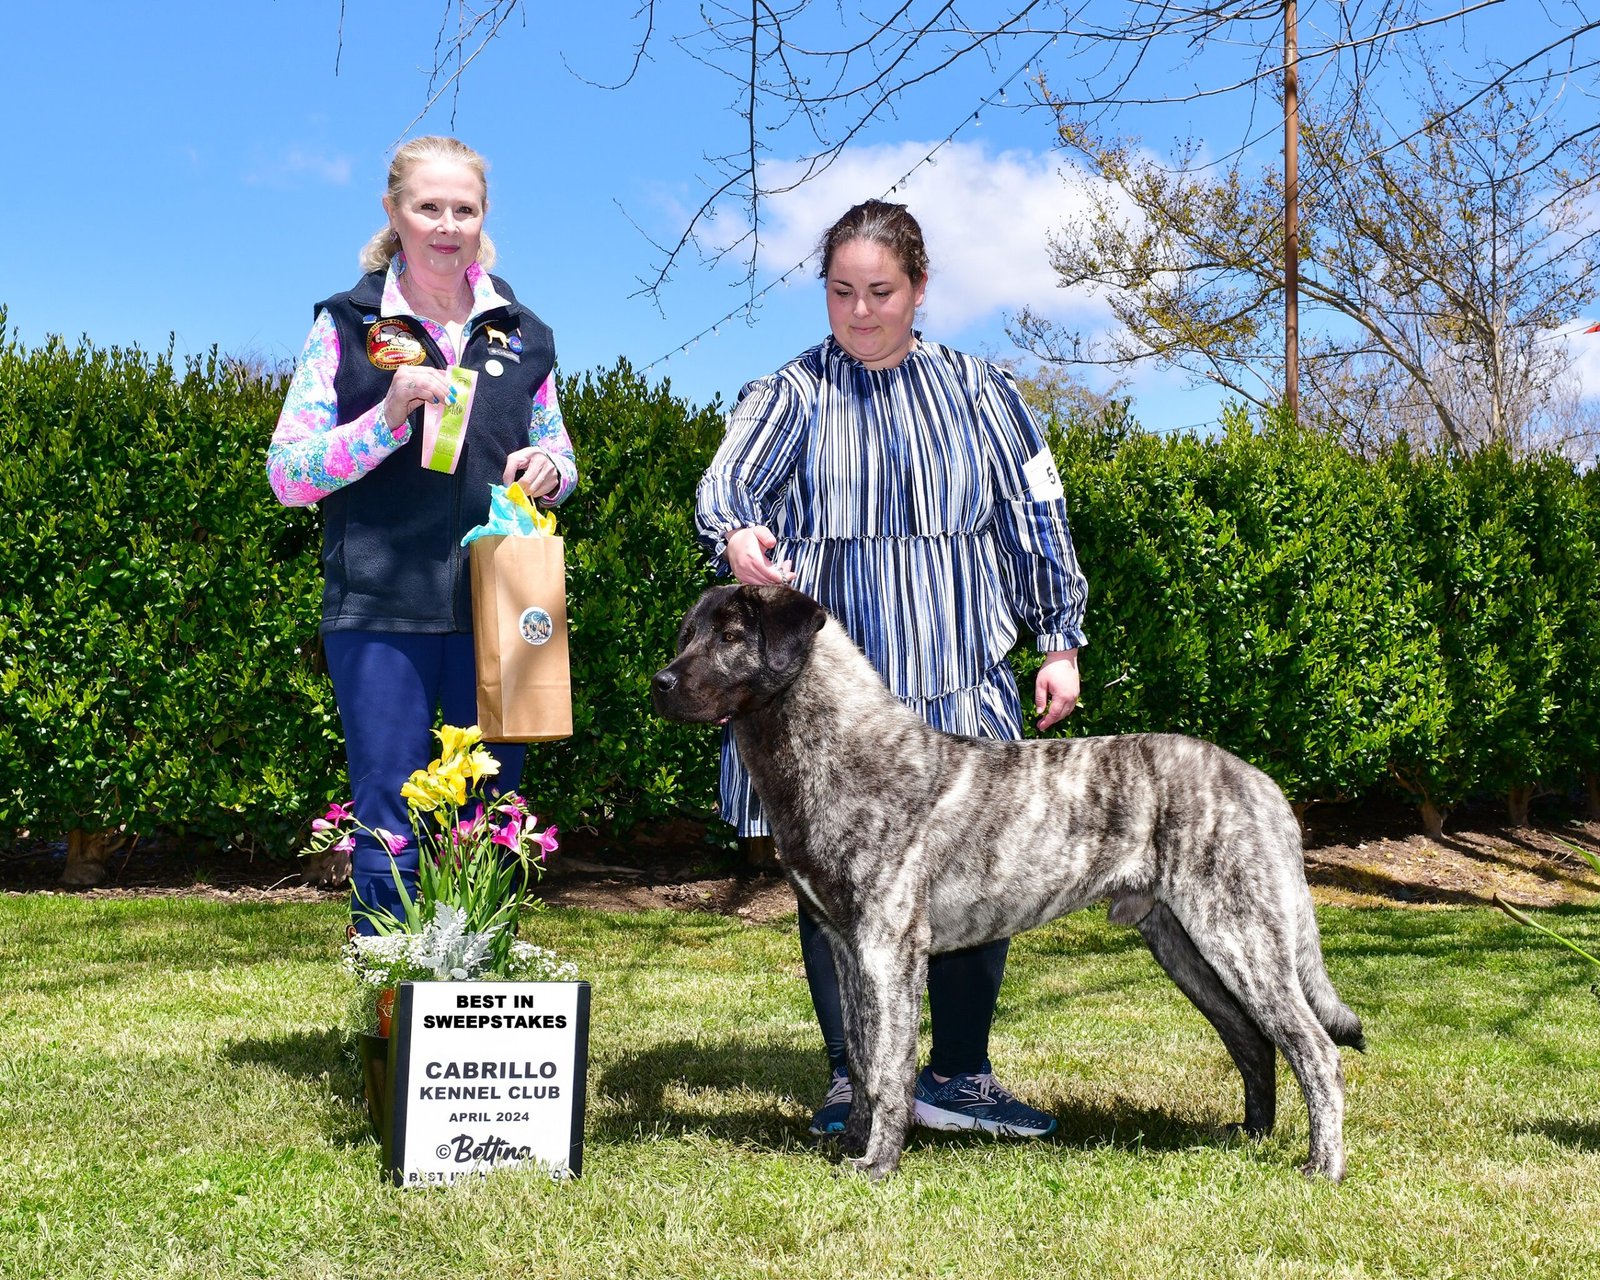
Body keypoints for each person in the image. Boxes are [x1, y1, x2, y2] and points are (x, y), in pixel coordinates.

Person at [695, 199, 1088, 1140]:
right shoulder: (787, 392)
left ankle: (959, 1075)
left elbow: (1037, 515)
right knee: (834, 882)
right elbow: (725, 484)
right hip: (831, 705)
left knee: (979, 876)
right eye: (841, 291)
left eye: (881, 291)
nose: (861, 311)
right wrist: (739, 530)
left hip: (957, 673)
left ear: (919, 289)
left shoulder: (985, 393)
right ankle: (852, 1080)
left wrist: (1059, 639)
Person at [268, 136, 576, 932]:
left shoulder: (523, 333)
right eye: (428, 207)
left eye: (464, 209)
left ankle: (478, 1001)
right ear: (393, 213)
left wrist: (550, 467)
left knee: (491, 820)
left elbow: (562, 453)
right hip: (379, 611)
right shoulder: (346, 325)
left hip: (501, 613)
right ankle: (392, 1018)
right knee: (389, 821)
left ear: (484, 217)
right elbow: (289, 474)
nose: (447, 225)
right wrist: (385, 419)